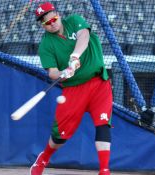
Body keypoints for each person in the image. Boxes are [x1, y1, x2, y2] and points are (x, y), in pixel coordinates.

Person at [30, 2, 113, 175]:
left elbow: (84, 36)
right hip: (73, 89)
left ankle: (104, 170)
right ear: (41, 25)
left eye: (53, 18)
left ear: (58, 14)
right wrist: (64, 73)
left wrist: (74, 57)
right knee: (60, 136)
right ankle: (44, 157)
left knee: (103, 123)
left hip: (99, 83)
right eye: (46, 22)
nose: (52, 23)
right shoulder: (46, 45)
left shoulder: (75, 21)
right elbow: (52, 73)